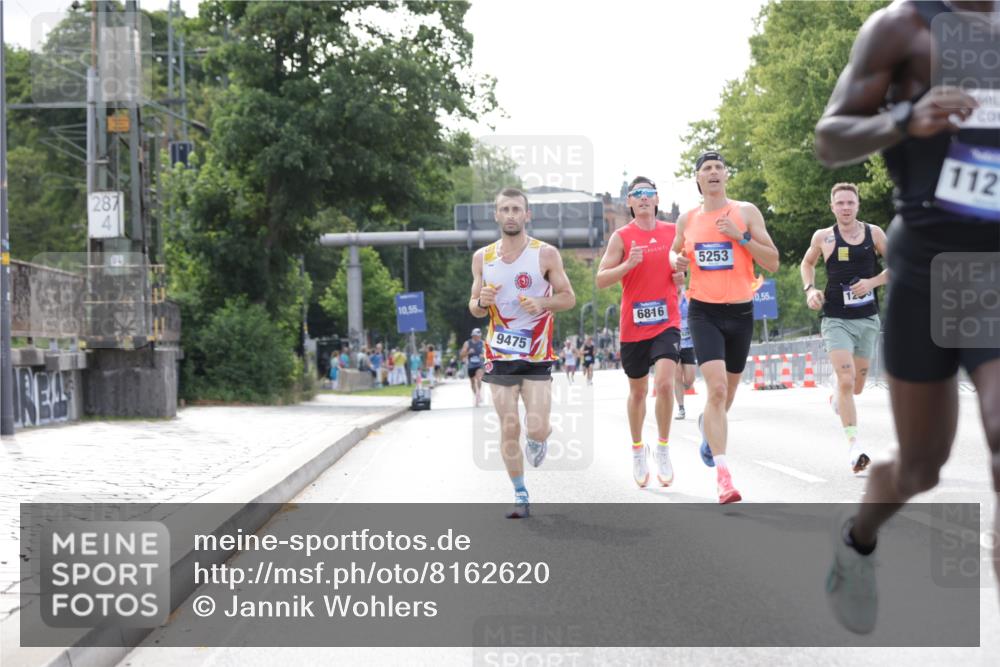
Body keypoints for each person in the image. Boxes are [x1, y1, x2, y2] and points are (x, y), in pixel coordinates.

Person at [814, 0, 1000, 634]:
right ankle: (858, 539)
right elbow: (830, 136)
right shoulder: (902, 26)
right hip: (927, 264)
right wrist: (905, 117)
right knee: (922, 464)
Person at [672, 152, 780, 503]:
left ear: (727, 176)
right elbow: (674, 260)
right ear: (698, 179)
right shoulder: (686, 220)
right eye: (707, 169)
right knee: (716, 389)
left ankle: (708, 428)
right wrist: (677, 264)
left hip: (741, 313)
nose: (714, 173)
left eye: (719, 168)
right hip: (703, 312)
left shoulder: (746, 212)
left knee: (729, 393)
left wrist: (741, 237)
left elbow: (773, 262)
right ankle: (723, 477)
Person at [469, 187, 575, 518]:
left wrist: (542, 302)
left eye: (517, 209)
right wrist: (481, 302)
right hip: (498, 352)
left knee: (537, 426)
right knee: (509, 424)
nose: (512, 215)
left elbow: (568, 297)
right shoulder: (482, 258)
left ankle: (539, 438)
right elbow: (473, 306)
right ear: (496, 215)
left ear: (527, 215)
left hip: (537, 352)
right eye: (506, 209)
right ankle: (520, 492)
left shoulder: (546, 255)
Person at [597, 176, 685, 489]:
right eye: (638, 195)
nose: (644, 198)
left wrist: (683, 277)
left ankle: (662, 447)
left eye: (649, 193)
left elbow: (686, 270)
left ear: (657, 200)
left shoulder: (673, 231)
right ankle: (638, 450)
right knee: (637, 392)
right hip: (633, 326)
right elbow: (601, 279)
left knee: (663, 384)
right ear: (630, 203)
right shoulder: (621, 237)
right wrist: (627, 265)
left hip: (666, 322)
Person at [800, 183, 889, 473]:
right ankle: (854, 448)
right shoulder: (824, 237)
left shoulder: (874, 234)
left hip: (867, 320)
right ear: (832, 207)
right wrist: (810, 289)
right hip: (836, 319)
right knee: (847, 380)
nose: (846, 207)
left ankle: (836, 398)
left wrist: (872, 283)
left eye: (850, 202)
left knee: (857, 387)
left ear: (858, 205)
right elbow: (807, 264)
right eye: (840, 203)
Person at [673, 286, 697, 420]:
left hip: (688, 342)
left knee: (689, 379)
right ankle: (681, 408)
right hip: (672, 340)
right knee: (677, 376)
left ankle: (682, 387)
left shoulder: (688, 297)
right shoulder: (666, 296)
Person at [461, 328, 487, 406]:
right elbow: (461, 355)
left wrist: (483, 355)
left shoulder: (482, 343)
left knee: (479, 378)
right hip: (471, 365)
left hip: (479, 364)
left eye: (479, 336)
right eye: (476, 336)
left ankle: (479, 393)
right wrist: (468, 352)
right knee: (472, 382)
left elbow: (488, 354)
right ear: (473, 335)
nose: (478, 337)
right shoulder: (467, 343)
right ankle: (476, 395)